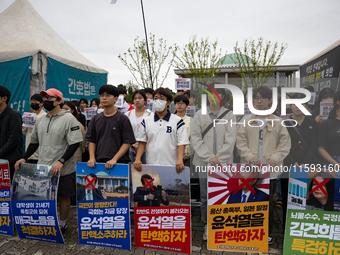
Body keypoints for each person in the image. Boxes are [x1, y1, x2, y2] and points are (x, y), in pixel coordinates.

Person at [14, 88, 83, 234]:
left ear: (59, 100)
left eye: (49, 98)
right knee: (44, 195)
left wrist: (61, 160)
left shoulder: (69, 118)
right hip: (43, 166)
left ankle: (63, 223)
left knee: (64, 195)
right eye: (44, 99)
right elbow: (34, 142)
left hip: (63, 166)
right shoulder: (40, 119)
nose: (45, 101)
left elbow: (74, 143)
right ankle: (47, 220)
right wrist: (24, 157)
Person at [236, 86, 291, 245]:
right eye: (255, 98)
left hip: (270, 171)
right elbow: (240, 143)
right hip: (249, 171)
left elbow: (285, 145)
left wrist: (275, 157)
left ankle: (265, 232)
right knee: (249, 201)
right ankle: (248, 231)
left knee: (267, 202)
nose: (258, 101)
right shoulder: (247, 121)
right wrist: (249, 156)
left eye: (261, 98)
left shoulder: (278, 122)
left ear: (270, 100)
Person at [191, 83, 236, 241]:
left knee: (223, 194)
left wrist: (219, 158)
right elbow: (195, 140)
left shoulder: (229, 115)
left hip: (223, 164)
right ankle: (207, 225)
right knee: (205, 196)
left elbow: (231, 140)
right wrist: (209, 157)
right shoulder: (199, 115)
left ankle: (221, 225)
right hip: (204, 164)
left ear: (222, 97)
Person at [133, 87, 189, 173]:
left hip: (171, 166)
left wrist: (180, 159)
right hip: (151, 165)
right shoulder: (146, 121)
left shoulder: (177, 121)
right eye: (155, 98)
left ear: (168, 102)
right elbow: (142, 142)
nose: (158, 101)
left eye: (162, 98)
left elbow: (181, 143)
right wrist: (137, 159)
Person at [86, 85, 136, 169]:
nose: (104, 98)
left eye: (107, 95)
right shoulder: (95, 119)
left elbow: (127, 142)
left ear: (116, 99)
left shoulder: (122, 119)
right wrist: (92, 158)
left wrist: (114, 159)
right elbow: (92, 140)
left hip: (119, 163)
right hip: (99, 163)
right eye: (102, 95)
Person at [0, 86, 23, 181]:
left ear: (5, 98)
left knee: (8, 192)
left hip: (10, 161)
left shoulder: (14, 115)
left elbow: (13, 139)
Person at [125, 90, 153, 163]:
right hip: (130, 148)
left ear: (145, 100)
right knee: (131, 171)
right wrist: (133, 145)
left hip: (146, 149)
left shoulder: (150, 114)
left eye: (140, 98)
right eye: (135, 98)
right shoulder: (127, 114)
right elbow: (125, 132)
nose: (137, 100)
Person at [22, 94, 46, 164]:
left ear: (41, 103)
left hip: (39, 151)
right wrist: (24, 123)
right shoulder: (29, 116)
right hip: (29, 149)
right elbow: (24, 132)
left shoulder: (45, 116)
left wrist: (37, 124)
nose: (33, 103)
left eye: (36, 102)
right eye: (32, 102)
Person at [318, 90, 340, 166]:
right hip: (331, 163)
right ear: (338, 102)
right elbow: (320, 148)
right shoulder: (326, 124)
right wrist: (335, 163)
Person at [174, 95, 191, 167]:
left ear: (186, 105)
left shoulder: (191, 121)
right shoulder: (170, 120)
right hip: (172, 156)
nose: (179, 105)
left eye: (182, 103)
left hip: (187, 157)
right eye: (178, 103)